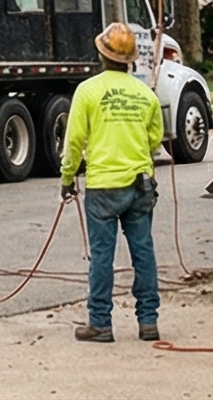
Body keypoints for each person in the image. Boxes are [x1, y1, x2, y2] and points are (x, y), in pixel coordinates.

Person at [60, 20, 164, 343]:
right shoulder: (145, 95)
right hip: (140, 185)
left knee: (102, 255)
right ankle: (148, 322)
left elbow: (74, 141)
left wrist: (67, 178)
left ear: (102, 54)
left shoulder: (88, 91)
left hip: (103, 186)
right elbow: (154, 139)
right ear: (130, 59)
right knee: (143, 251)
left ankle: (100, 323)